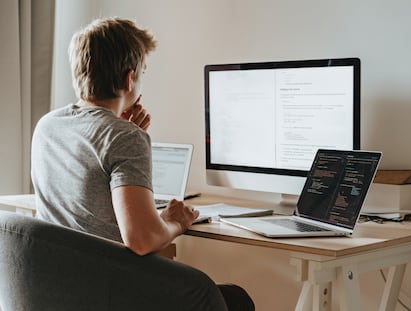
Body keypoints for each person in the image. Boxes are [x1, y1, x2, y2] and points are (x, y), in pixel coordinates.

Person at [31, 17, 254, 311]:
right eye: (143, 73)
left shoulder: (48, 125)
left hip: (58, 290)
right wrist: (176, 221)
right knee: (236, 299)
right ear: (129, 79)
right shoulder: (125, 137)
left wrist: (124, 129)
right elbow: (142, 239)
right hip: (107, 292)